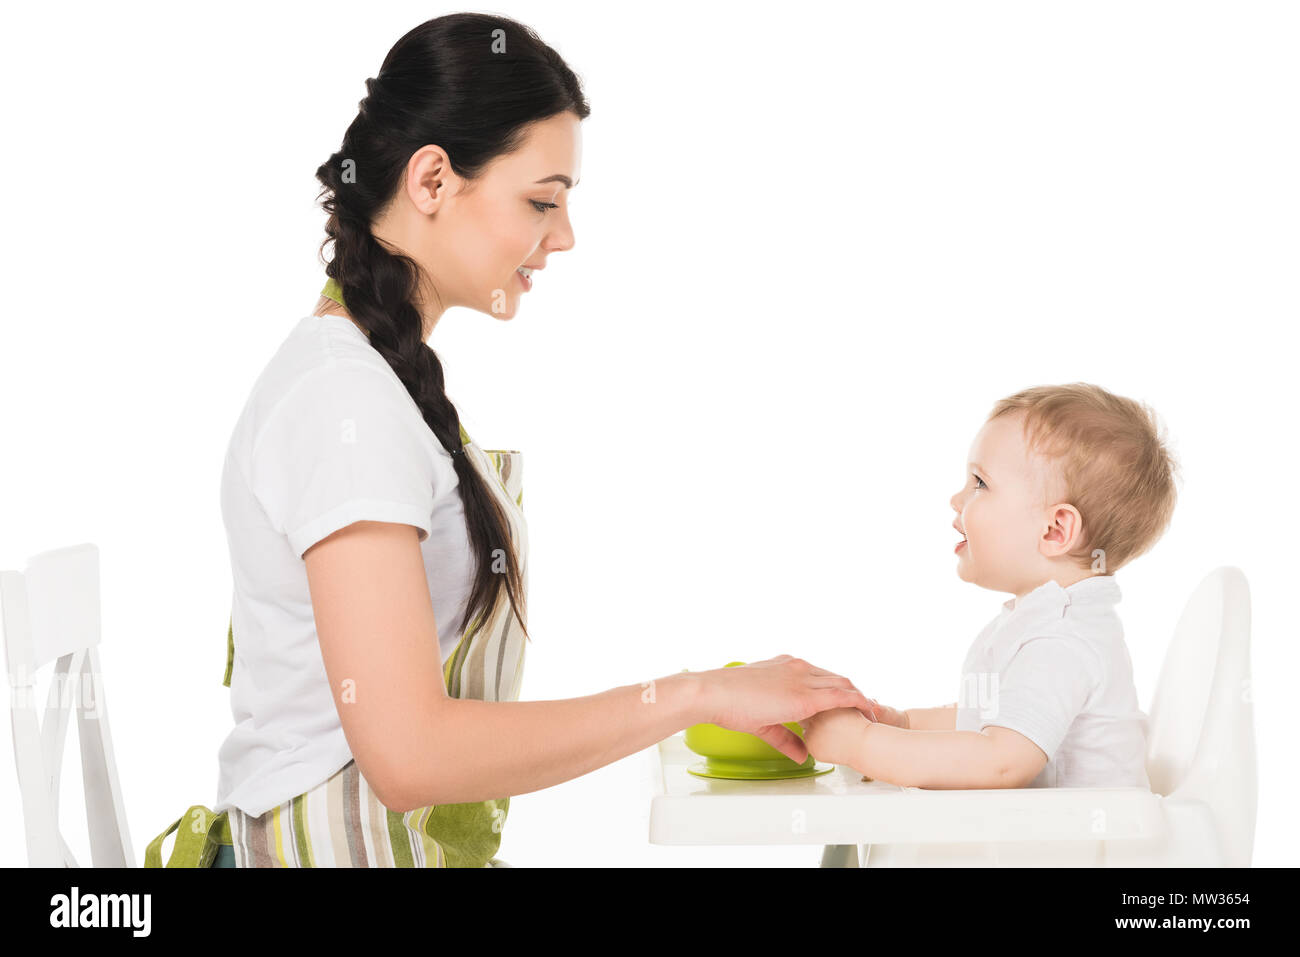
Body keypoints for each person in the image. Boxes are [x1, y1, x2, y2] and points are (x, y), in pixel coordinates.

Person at [212, 12, 875, 867]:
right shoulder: (344, 402)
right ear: (431, 180)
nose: (562, 237)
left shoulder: (373, 379)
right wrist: (694, 694)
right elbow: (410, 754)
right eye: (542, 201)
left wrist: (698, 695)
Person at [802, 383, 1178, 789]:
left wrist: (861, 744)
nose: (956, 498)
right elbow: (988, 719)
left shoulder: (1062, 641)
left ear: (1054, 530)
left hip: (1082, 851)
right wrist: (904, 724)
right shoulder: (1046, 621)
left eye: (980, 483)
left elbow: (1000, 762)